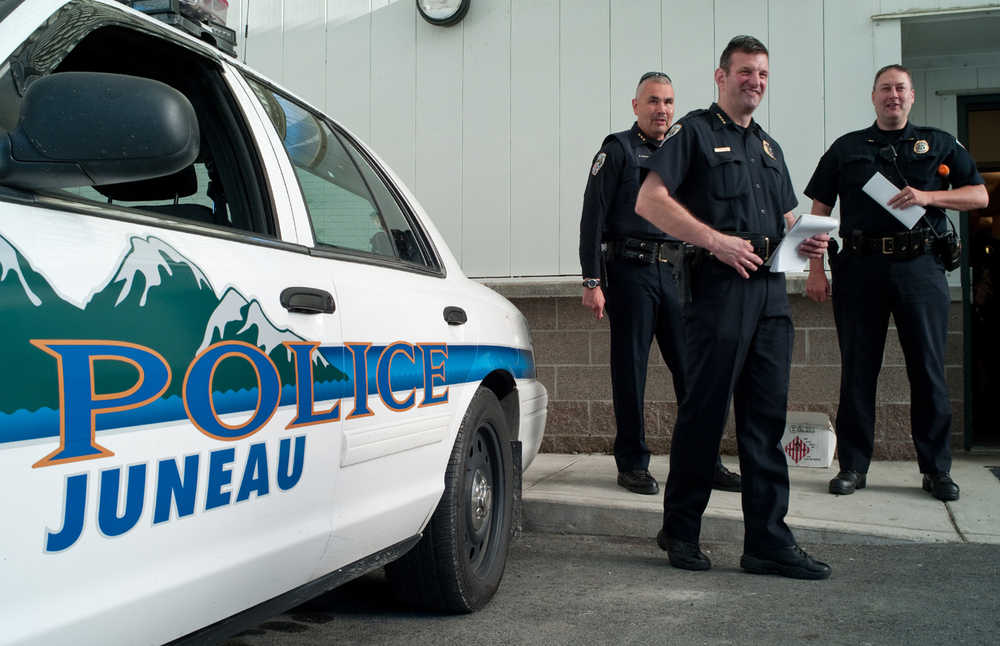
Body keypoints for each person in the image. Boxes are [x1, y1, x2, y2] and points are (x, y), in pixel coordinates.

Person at [634, 35, 832, 579]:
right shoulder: (694, 132)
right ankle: (680, 529)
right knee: (704, 415)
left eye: (763, 74)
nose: (756, 81)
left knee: (765, 422)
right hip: (717, 291)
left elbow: (786, 218)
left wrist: (809, 239)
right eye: (746, 71)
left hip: (770, 294)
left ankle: (766, 541)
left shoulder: (770, 148)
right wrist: (712, 240)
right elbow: (649, 200)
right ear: (721, 76)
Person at [804, 64, 988, 501]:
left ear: (912, 96)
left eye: (900, 88)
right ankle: (853, 466)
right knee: (857, 371)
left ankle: (936, 470)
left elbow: (978, 195)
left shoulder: (939, 143)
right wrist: (815, 269)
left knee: (927, 371)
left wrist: (929, 197)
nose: (893, 95)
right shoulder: (847, 148)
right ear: (873, 97)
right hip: (860, 267)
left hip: (920, 268)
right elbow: (820, 206)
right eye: (885, 88)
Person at [579, 71, 741, 496]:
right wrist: (591, 280)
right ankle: (633, 463)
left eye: (668, 101)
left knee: (694, 373)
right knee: (631, 372)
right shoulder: (617, 150)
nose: (662, 109)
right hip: (630, 273)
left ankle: (704, 461)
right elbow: (592, 217)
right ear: (636, 106)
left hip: (676, 275)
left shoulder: (682, 153)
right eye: (652, 101)